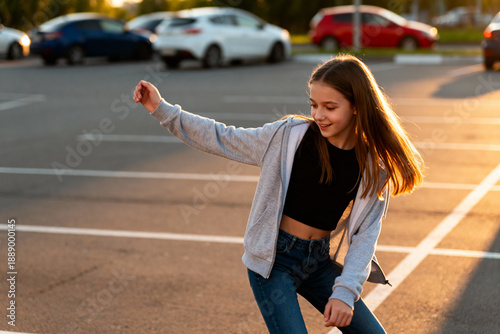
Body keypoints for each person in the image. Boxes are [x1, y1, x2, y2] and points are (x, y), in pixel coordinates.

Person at [133, 54, 424, 333]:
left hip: (319, 262)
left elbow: (365, 237)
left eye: (330, 107)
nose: (318, 115)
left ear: (357, 105)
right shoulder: (289, 137)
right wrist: (162, 109)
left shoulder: (373, 166)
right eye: (314, 105)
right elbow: (222, 137)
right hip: (274, 262)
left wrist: (345, 291)